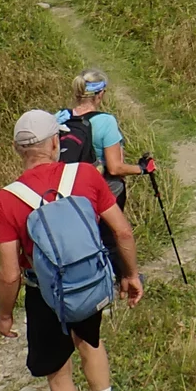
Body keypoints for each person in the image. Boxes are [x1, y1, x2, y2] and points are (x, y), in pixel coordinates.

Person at [0, 109, 143, 391]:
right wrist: (131, 274)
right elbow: (122, 232)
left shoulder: (7, 199)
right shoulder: (86, 175)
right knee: (91, 344)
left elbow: (10, 273)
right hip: (89, 282)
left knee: (58, 372)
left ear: (18, 149)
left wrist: (5, 313)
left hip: (44, 294)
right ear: (56, 142)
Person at [57, 70, 145, 279]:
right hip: (104, 189)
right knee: (113, 235)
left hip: (66, 187)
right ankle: (124, 277)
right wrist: (141, 169)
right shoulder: (106, 122)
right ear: (100, 94)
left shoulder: (60, 117)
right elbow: (115, 168)